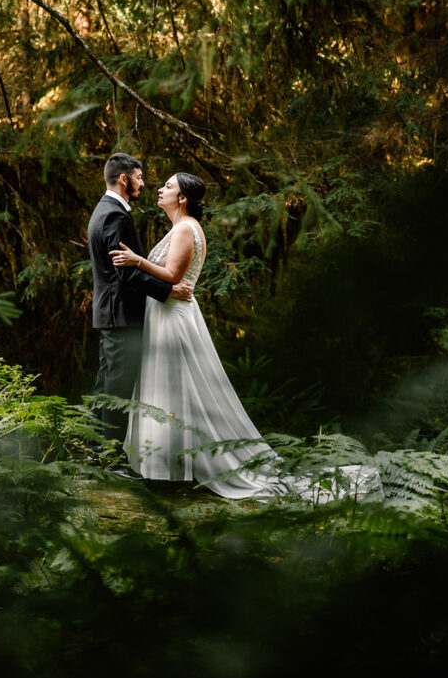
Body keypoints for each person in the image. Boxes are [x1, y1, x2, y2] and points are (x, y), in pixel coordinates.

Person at [110, 172, 383, 502]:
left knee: (177, 389)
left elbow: (173, 276)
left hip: (174, 320)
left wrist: (137, 261)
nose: (159, 189)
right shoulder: (180, 228)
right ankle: (165, 467)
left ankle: (171, 472)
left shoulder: (185, 228)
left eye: (168, 186)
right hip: (167, 315)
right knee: (173, 390)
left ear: (182, 198)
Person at [87, 153, 193, 468]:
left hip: (110, 314)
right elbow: (127, 272)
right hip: (122, 316)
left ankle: (95, 455)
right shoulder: (116, 216)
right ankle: (109, 462)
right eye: (140, 177)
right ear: (124, 179)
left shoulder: (102, 211)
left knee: (106, 388)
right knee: (117, 392)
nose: (143, 183)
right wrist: (168, 290)